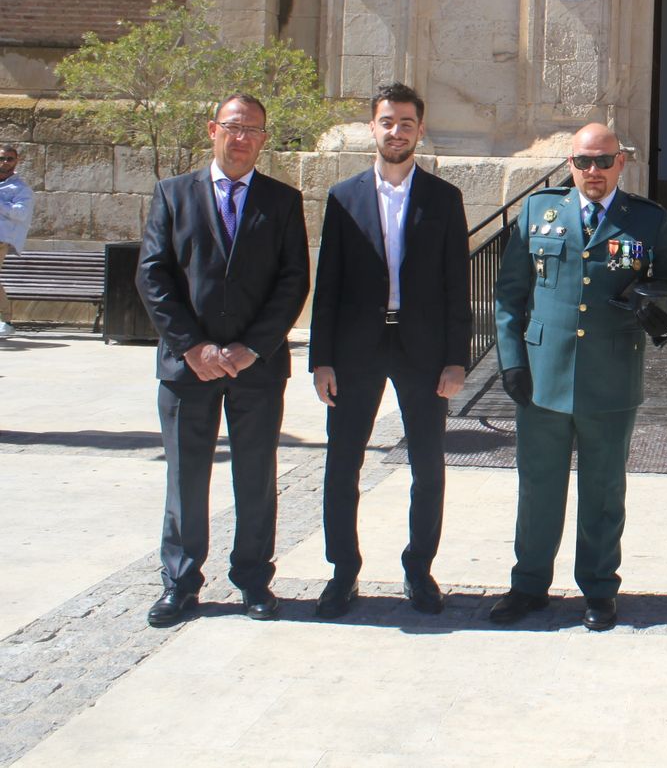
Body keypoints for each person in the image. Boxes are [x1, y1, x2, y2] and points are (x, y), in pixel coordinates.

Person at [489, 124, 667, 631]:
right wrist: (511, 361)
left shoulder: (647, 219)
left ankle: (599, 589)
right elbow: (510, 294)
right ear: (569, 164)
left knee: (603, 490)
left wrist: (655, 307)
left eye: (603, 161)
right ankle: (528, 585)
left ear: (622, 162)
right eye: (582, 162)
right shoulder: (538, 212)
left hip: (611, 375)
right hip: (542, 375)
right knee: (538, 488)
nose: (592, 172)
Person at [136, 95, 310, 627]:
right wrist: (194, 346)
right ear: (213, 130)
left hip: (255, 368)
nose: (242, 138)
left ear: (263, 139)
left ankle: (254, 580)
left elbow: (292, 281)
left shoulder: (282, 200)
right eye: (233, 127)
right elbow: (153, 275)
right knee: (187, 478)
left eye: (253, 130)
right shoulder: (172, 194)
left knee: (255, 476)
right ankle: (181, 583)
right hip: (188, 367)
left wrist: (250, 346)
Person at [308, 84, 471, 619]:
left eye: (406, 122)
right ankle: (343, 572)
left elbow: (456, 284)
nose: (396, 131)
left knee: (428, 465)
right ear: (371, 128)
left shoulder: (444, 199)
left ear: (420, 130)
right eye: (386, 121)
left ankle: (419, 570)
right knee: (342, 464)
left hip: (422, 350)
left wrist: (456, 358)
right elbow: (327, 283)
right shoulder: (343, 197)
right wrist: (321, 358)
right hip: (357, 350)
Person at [0, 143, 35, 339]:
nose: (5, 162)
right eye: (2, 158)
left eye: (9, 159)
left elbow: (21, 213)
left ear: (16, 161)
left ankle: (6, 319)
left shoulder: (20, 188)